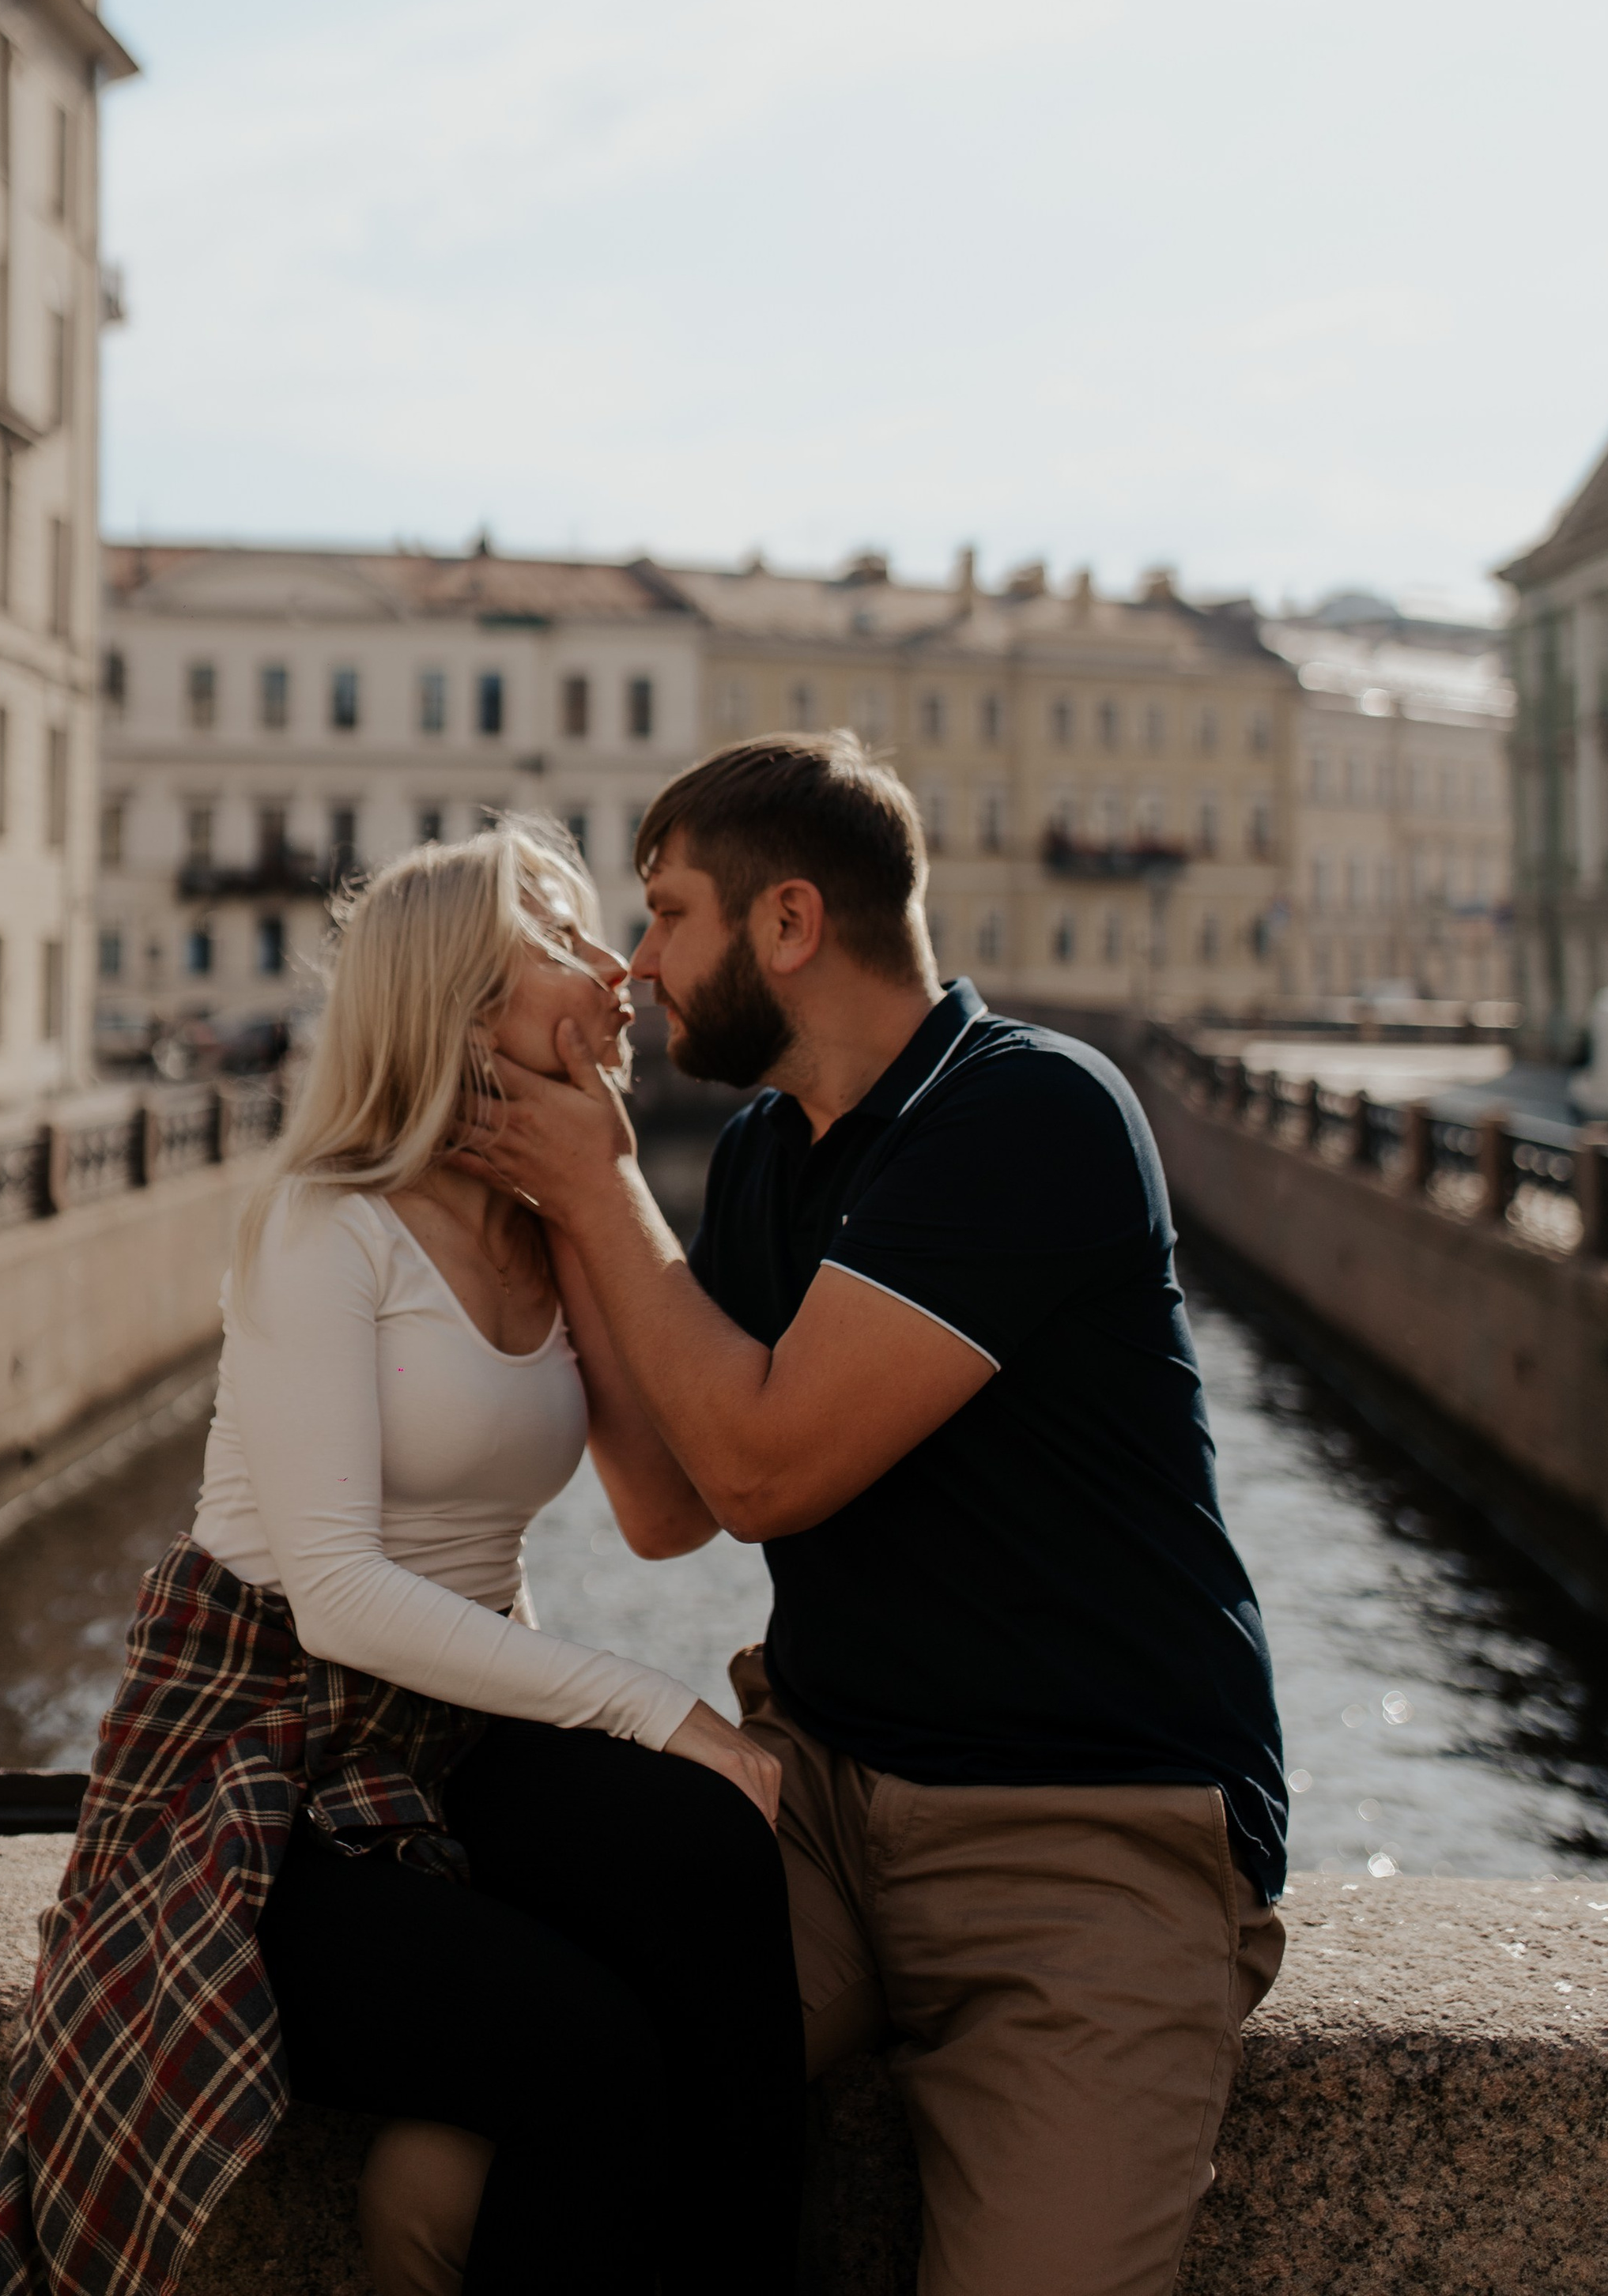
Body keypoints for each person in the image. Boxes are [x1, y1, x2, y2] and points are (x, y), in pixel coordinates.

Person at [419, 730, 1288, 2296]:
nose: (638, 964)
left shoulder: (1030, 1114)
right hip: (820, 1802)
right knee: (445, 2189)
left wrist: (603, 1192)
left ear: (789, 923)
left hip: (1084, 1847)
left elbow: (765, 1473)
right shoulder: (768, 1150)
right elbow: (668, 1505)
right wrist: (569, 1200)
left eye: (667, 913)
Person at [0, 822, 803, 2296]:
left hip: (444, 1735)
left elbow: (649, 1510)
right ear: (461, 1004)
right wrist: (653, 1707)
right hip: (258, 1762)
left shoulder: (552, 1224)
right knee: (584, 2054)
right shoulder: (329, 1224)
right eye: (564, 939)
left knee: (712, 1861)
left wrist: (605, 1191)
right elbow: (342, 1596)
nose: (617, 968)